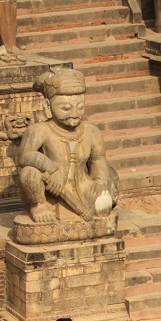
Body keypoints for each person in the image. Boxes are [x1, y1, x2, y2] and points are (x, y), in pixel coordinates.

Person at [17, 68, 118, 224]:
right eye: (65, 108)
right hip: (51, 192)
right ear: (47, 106)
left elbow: (98, 161)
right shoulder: (39, 130)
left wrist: (100, 182)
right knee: (29, 174)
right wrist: (51, 169)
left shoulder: (92, 132)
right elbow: (25, 155)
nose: (74, 114)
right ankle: (38, 206)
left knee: (103, 207)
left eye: (80, 108)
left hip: (84, 188)